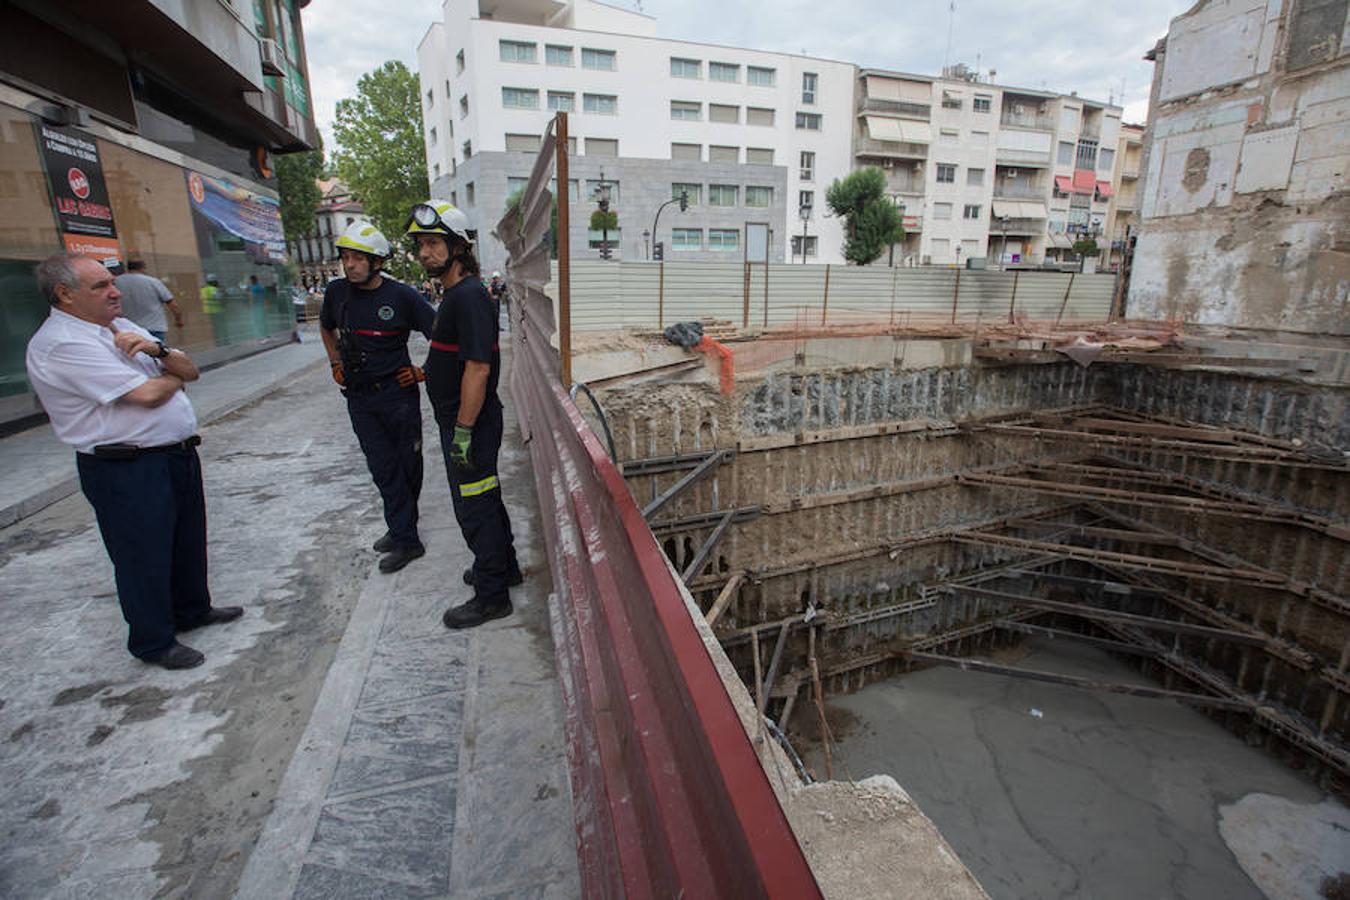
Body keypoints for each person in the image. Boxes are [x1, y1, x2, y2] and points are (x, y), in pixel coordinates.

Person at [25, 253, 241, 670]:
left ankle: (192, 610)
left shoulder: (119, 326)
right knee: (143, 552)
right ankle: (154, 640)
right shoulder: (62, 344)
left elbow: (188, 369)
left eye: (112, 282)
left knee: (186, 539)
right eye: (101, 286)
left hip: (173, 454)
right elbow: (147, 395)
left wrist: (160, 351)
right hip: (125, 466)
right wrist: (170, 375)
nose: (115, 291)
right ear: (64, 295)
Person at [406, 200, 521, 629]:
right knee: (485, 497)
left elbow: (478, 367)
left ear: (458, 247)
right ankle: (503, 567)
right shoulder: (459, 295)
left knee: (473, 506)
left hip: (469, 424)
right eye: (420, 246)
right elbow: (457, 359)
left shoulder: (469, 295)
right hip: (465, 420)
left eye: (433, 244)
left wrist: (463, 432)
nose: (424, 254)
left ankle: (492, 596)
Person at [320, 221, 436, 573]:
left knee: (407, 464)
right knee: (383, 467)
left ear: (377, 262)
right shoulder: (336, 292)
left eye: (358, 258)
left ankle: (402, 527)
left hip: (397, 396)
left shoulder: (402, 297)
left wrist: (424, 371)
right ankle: (405, 536)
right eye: (346, 257)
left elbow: (445, 337)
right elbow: (326, 326)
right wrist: (335, 361)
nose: (350, 264)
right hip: (359, 399)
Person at [116, 258, 183, 341]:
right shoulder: (153, 282)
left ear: (128, 268)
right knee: (158, 352)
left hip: (127, 329)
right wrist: (178, 320)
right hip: (154, 328)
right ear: (143, 268)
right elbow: (173, 305)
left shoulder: (116, 282)